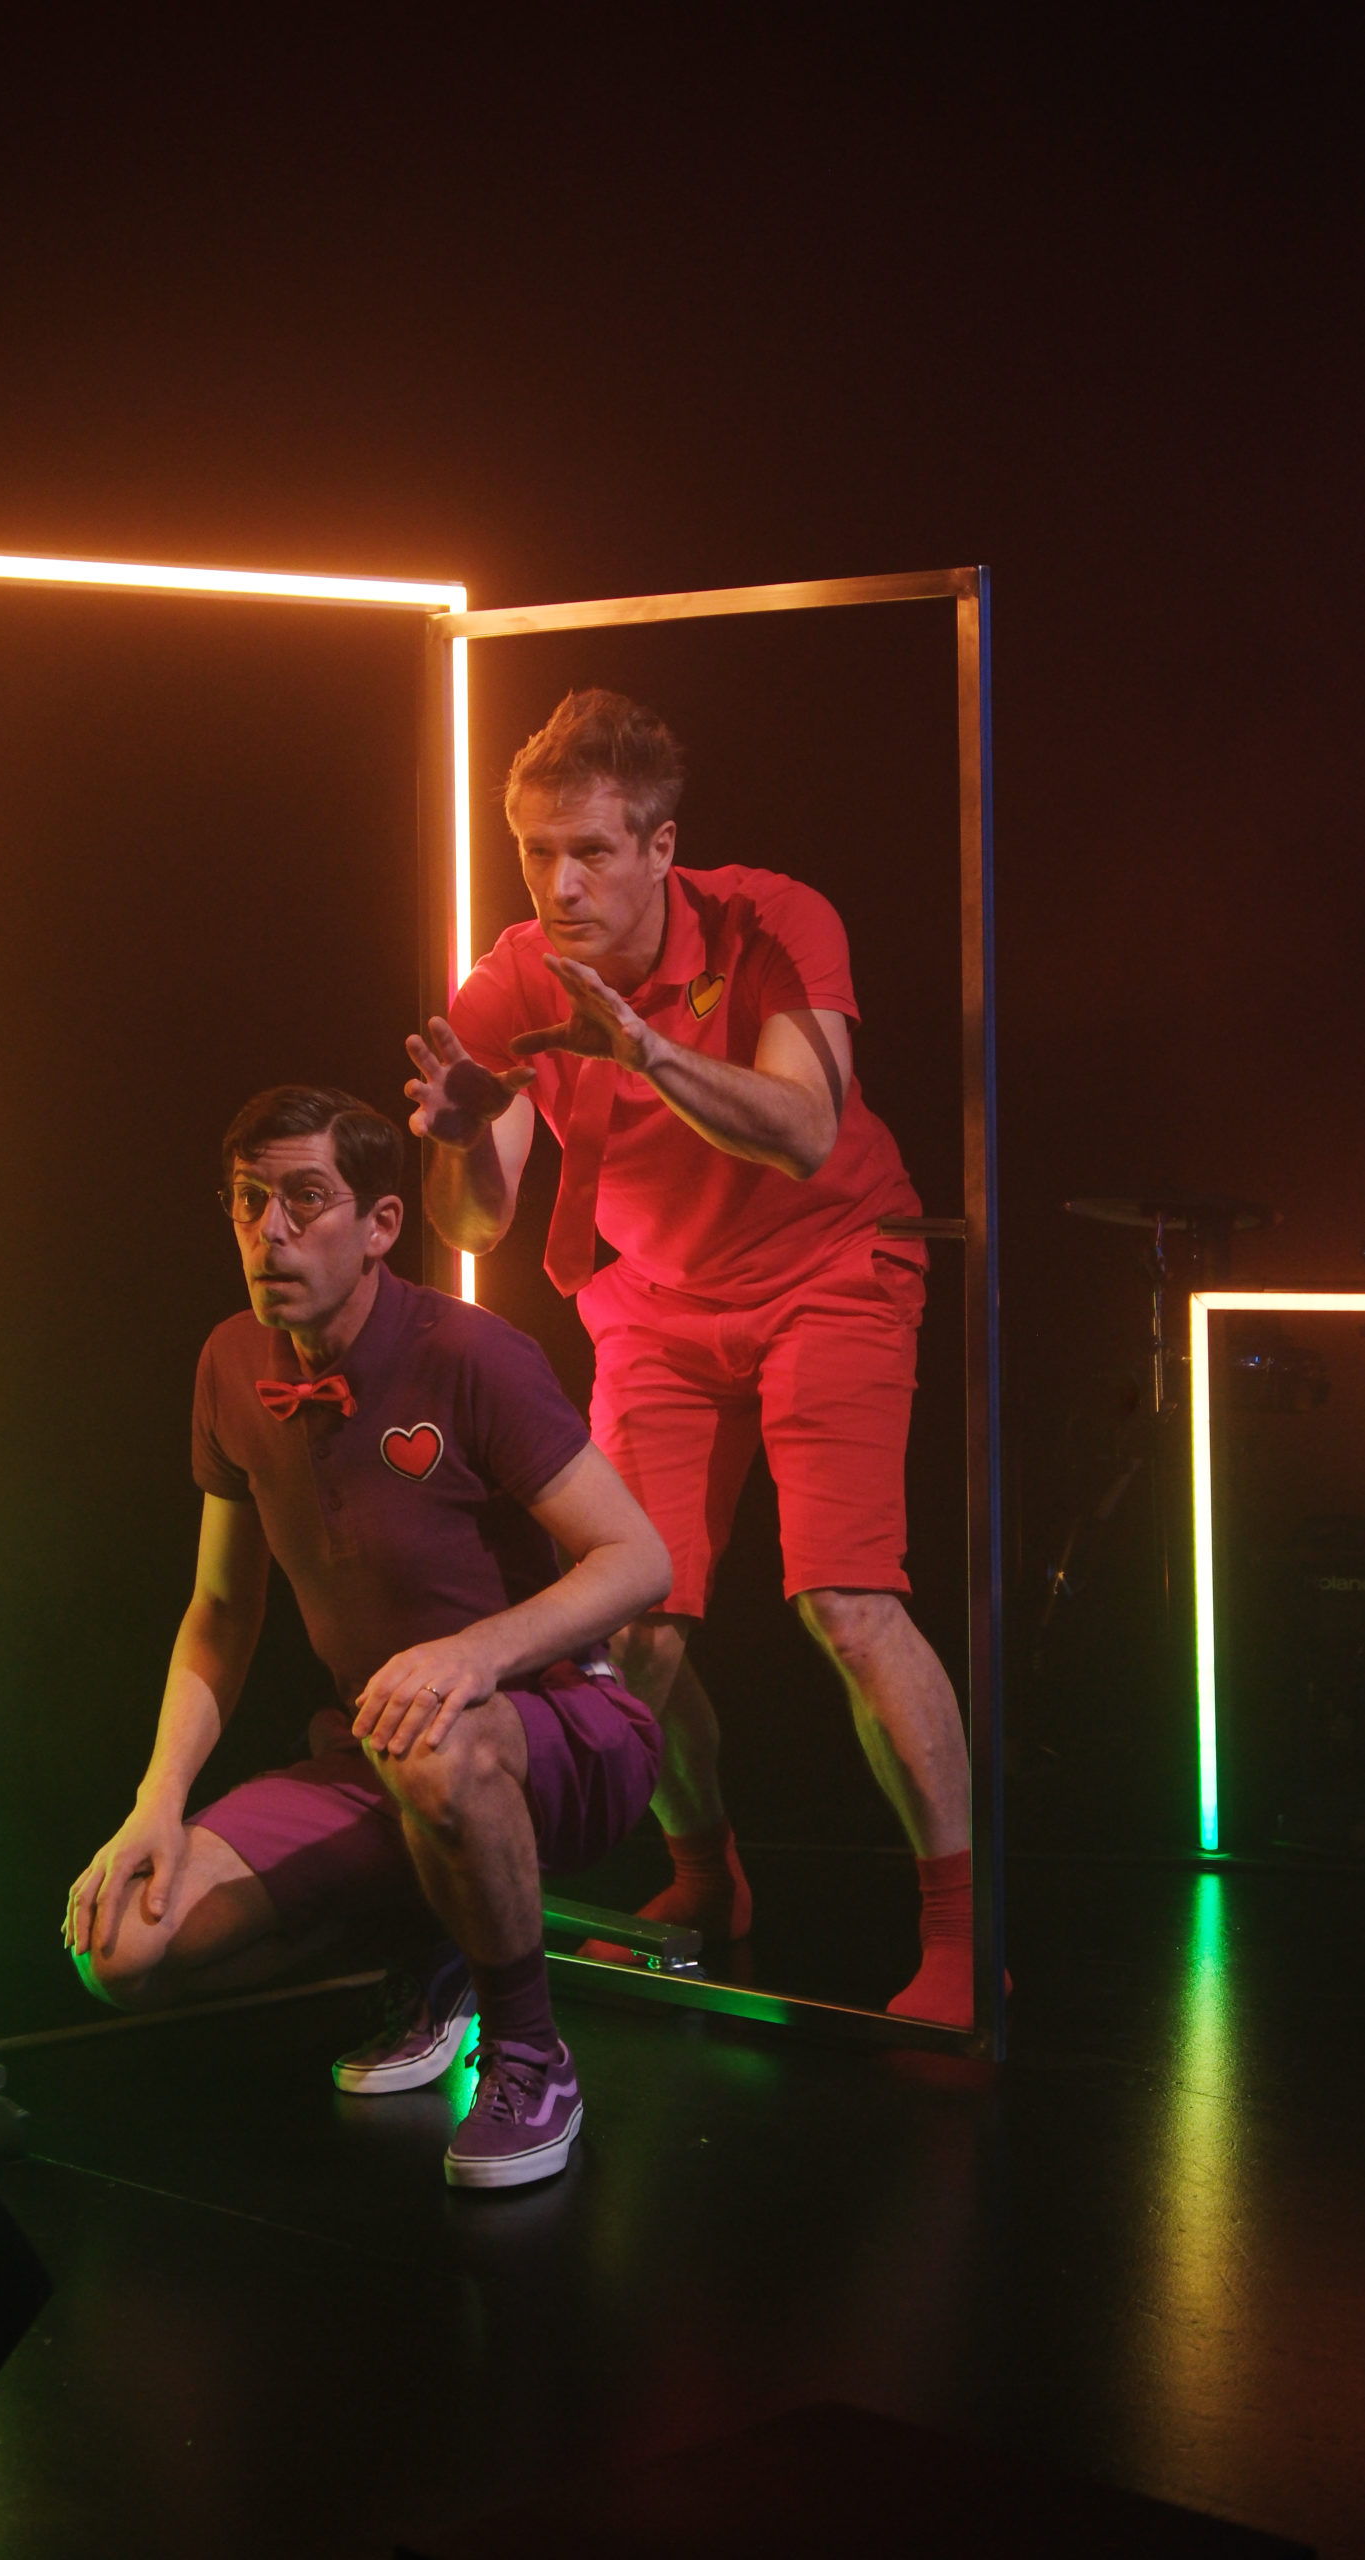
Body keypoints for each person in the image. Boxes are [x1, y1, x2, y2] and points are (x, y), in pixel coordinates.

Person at [408, 689, 984, 2027]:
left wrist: (648, 1051)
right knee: (629, 1627)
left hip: (829, 1268)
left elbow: (801, 1129)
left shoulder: (772, 923)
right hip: (655, 1305)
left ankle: (962, 1930)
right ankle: (707, 1876)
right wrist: (460, 1131)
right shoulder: (508, 984)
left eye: (591, 851)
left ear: (660, 847)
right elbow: (475, 1224)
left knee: (845, 1602)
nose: (560, 884)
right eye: (536, 852)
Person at [64, 1082, 671, 2188]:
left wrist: (475, 1653)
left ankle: (530, 2054)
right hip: (381, 1751)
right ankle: (436, 1945)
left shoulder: (470, 1353)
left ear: (382, 1224)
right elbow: (220, 1610)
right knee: (123, 1947)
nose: (272, 1231)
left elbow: (636, 1559)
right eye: (249, 1201)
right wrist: (155, 1799)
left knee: (437, 1739)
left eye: (306, 1199)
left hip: (560, 1733)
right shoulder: (230, 1361)